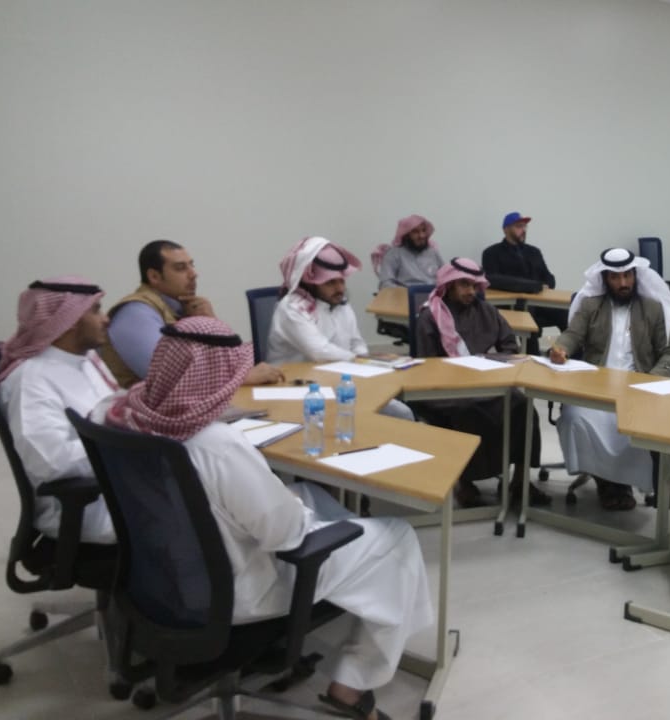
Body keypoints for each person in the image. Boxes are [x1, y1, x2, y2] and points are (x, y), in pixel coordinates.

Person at [95, 316, 431, 720]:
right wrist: (288, 503)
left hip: (165, 576)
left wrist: (289, 499)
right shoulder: (216, 444)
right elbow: (286, 536)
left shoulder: (123, 414)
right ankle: (351, 685)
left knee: (310, 494)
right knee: (396, 536)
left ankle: (349, 590)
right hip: (235, 591)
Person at [548, 248, 670, 510]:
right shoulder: (591, 305)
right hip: (595, 387)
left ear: (635, 276)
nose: (623, 283)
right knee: (575, 418)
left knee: (645, 427)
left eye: (628, 276)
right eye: (615, 278)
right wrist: (561, 349)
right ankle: (605, 480)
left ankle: (626, 482)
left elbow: (669, 352)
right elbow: (572, 335)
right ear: (605, 279)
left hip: (638, 388)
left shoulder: (652, 308)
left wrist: (651, 380)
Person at [414, 258, 547, 508]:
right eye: (464, 285)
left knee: (522, 405)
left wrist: (493, 364)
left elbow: (510, 346)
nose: (471, 292)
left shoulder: (486, 311)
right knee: (469, 411)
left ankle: (520, 481)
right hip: (445, 390)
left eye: (474, 285)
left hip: (488, 383)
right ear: (450, 285)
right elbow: (427, 367)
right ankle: (464, 482)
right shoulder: (431, 316)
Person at [0, 277, 119, 544]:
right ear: (70, 319)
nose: (106, 319)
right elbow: (51, 462)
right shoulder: (31, 380)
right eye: (96, 310)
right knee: (201, 510)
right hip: (86, 507)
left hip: (119, 486)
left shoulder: (87, 361)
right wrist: (126, 449)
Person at [100, 239, 282, 388]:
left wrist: (212, 324)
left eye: (191, 266)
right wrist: (241, 378)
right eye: (180, 268)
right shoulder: (135, 313)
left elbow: (232, 360)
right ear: (154, 276)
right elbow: (166, 380)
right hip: (145, 418)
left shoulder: (183, 309)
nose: (193, 274)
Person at [268, 236, 414, 420]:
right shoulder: (292, 308)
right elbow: (319, 351)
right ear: (311, 283)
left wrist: (367, 361)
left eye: (341, 281)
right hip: (298, 389)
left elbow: (357, 343)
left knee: (402, 413)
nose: (339, 288)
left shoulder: (340, 303)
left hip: (340, 381)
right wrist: (359, 360)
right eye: (330, 282)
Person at [480, 211, 567, 353]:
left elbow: (549, 278)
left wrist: (542, 285)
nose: (523, 230)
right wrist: (533, 286)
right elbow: (493, 280)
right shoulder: (491, 253)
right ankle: (533, 357)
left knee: (566, 314)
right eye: (518, 226)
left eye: (524, 226)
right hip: (511, 306)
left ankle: (567, 354)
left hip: (538, 303)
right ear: (506, 229)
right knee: (527, 317)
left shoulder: (534, 252)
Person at [371, 214, 444, 290]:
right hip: (405, 295)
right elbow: (385, 282)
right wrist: (404, 292)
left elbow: (445, 276)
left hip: (434, 295)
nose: (421, 236)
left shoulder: (433, 252)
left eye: (423, 231)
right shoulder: (394, 254)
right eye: (415, 232)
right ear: (406, 235)